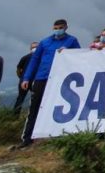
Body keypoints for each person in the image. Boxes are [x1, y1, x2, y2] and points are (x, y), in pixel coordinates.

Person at [16, 19, 80, 149]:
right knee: (35, 108)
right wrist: (27, 78)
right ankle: (27, 137)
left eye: (61, 27)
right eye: (56, 27)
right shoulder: (45, 42)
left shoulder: (72, 41)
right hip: (42, 78)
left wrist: (69, 52)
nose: (58, 30)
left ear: (66, 27)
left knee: (59, 108)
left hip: (60, 78)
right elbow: (34, 60)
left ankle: (58, 136)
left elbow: (79, 56)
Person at [13, 42, 38, 114]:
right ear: (30, 49)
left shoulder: (42, 57)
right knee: (20, 98)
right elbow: (18, 68)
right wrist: (21, 78)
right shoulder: (25, 57)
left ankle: (33, 114)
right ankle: (15, 115)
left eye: (36, 47)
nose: (34, 49)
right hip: (24, 81)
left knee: (35, 98)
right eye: (33, 47)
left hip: (36, 82)